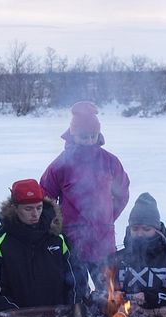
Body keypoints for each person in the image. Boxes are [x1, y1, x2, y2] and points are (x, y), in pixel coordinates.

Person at [0, 179, 88, 317]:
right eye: (28, 209)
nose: (35, 214)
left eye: (39, 207)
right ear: (14, 208)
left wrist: (73, 311)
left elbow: (77, 279)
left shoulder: (59, 240)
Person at [40, 101, 130, 285]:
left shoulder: (110, 162)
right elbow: (45, 198)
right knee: (76, 293)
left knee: (109, 294)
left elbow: (122, 193)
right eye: (84, 137)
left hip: (103, 240)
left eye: (93, 136)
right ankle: (80, 313)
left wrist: (108, 217)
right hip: (72, 240)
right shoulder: (60, 165)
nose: (89, 141)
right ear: (73, 134)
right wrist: (57, 225)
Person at [107, 193, 166, 309]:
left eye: (146, 229)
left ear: (157, 229)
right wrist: (112, 298)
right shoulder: (115, 260)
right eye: (135, 229)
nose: (140, 234)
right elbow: (98, 296)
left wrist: (150, 298)